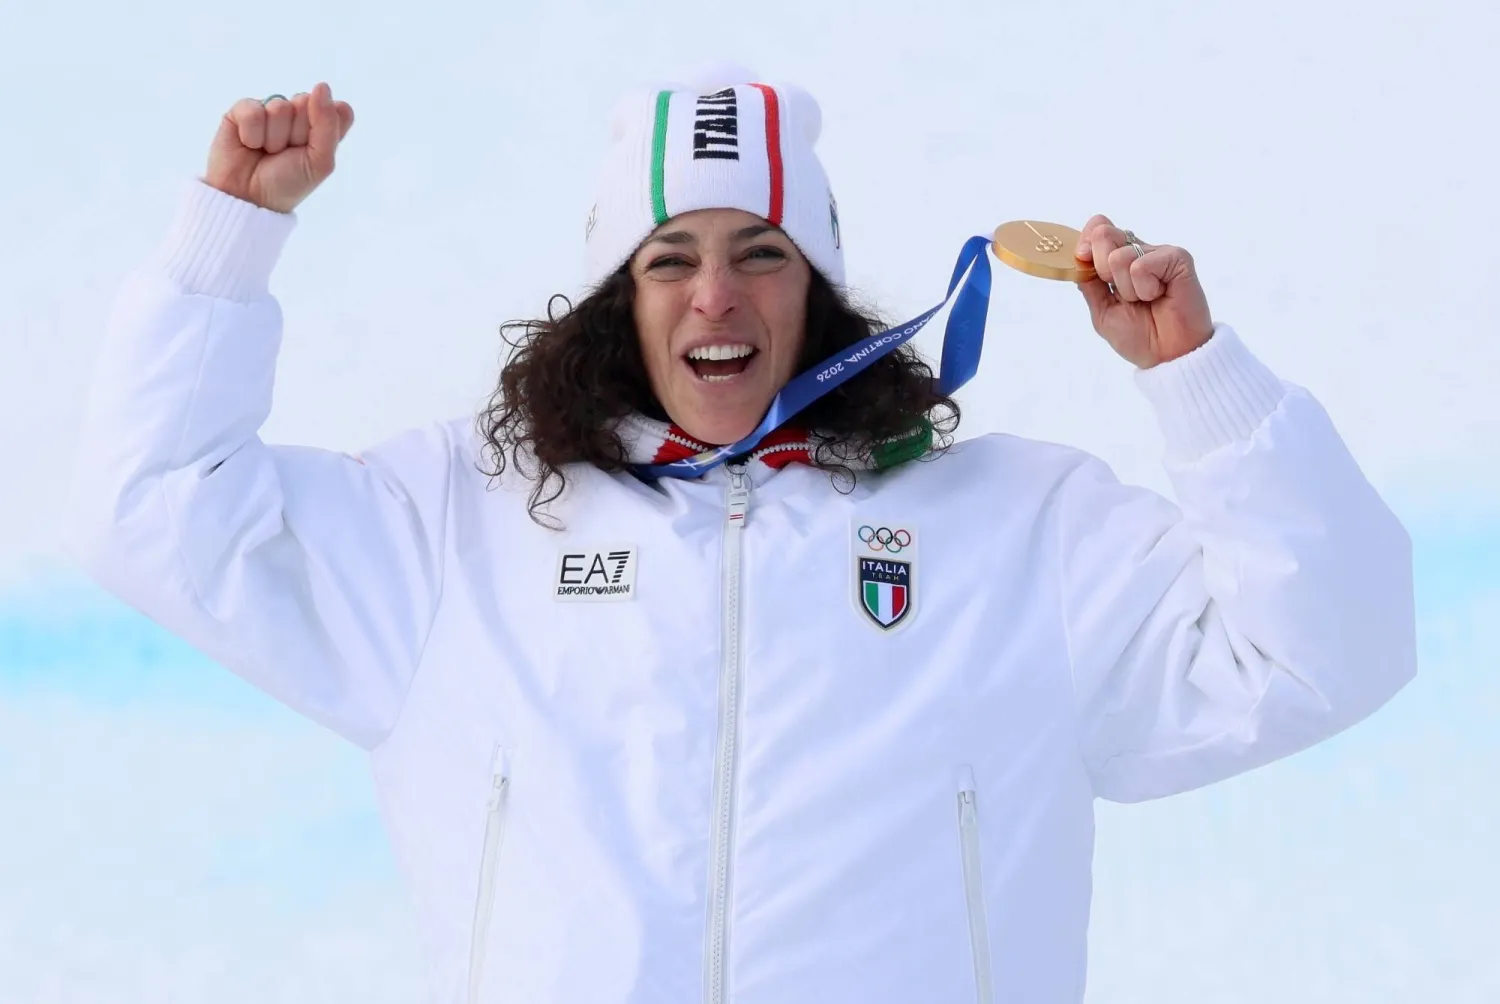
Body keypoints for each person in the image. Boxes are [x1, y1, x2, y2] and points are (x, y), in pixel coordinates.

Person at [62, 69, 1417, 1004]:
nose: (716, 292)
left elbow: (1326, 653)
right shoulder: (455, 524)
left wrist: (1196, 379)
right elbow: (153, 511)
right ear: (613, 299)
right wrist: (225, 237)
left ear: (819, 288)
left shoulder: (1018, 530)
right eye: (669, 259)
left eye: (762, 251)